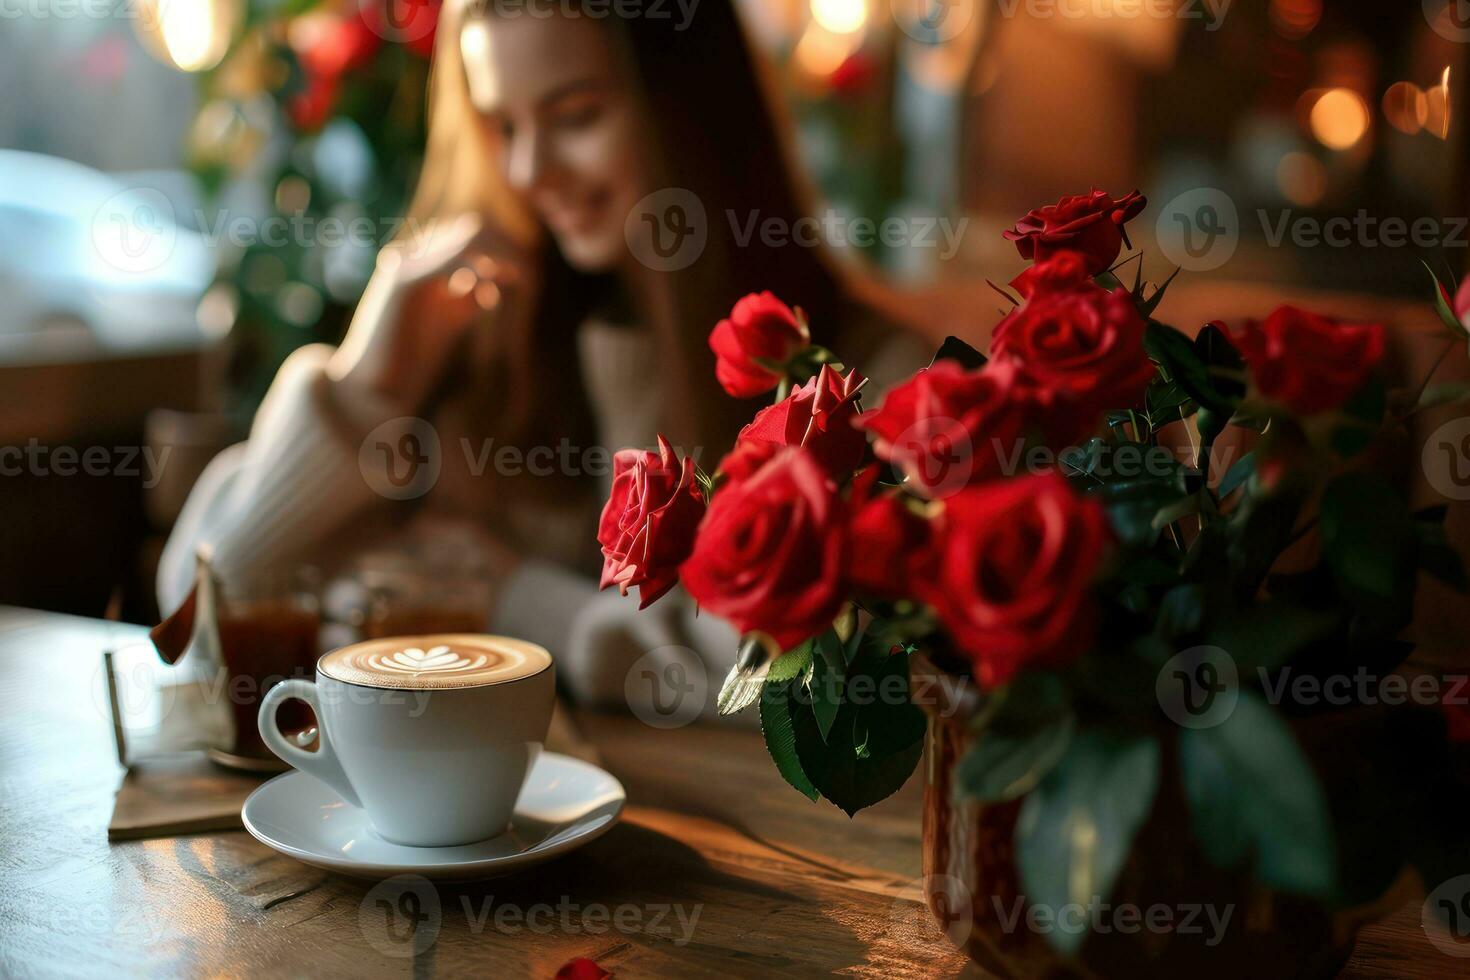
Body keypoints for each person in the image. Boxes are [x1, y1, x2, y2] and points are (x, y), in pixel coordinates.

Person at [158, 0, 944, 712]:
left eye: (575, 116)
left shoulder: (870, 379)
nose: (531, 170)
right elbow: (198, 610)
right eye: (501, 127)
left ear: (690, 112)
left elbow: (841, 687)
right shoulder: (475, 342)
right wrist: (367, 383)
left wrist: (523, 604)